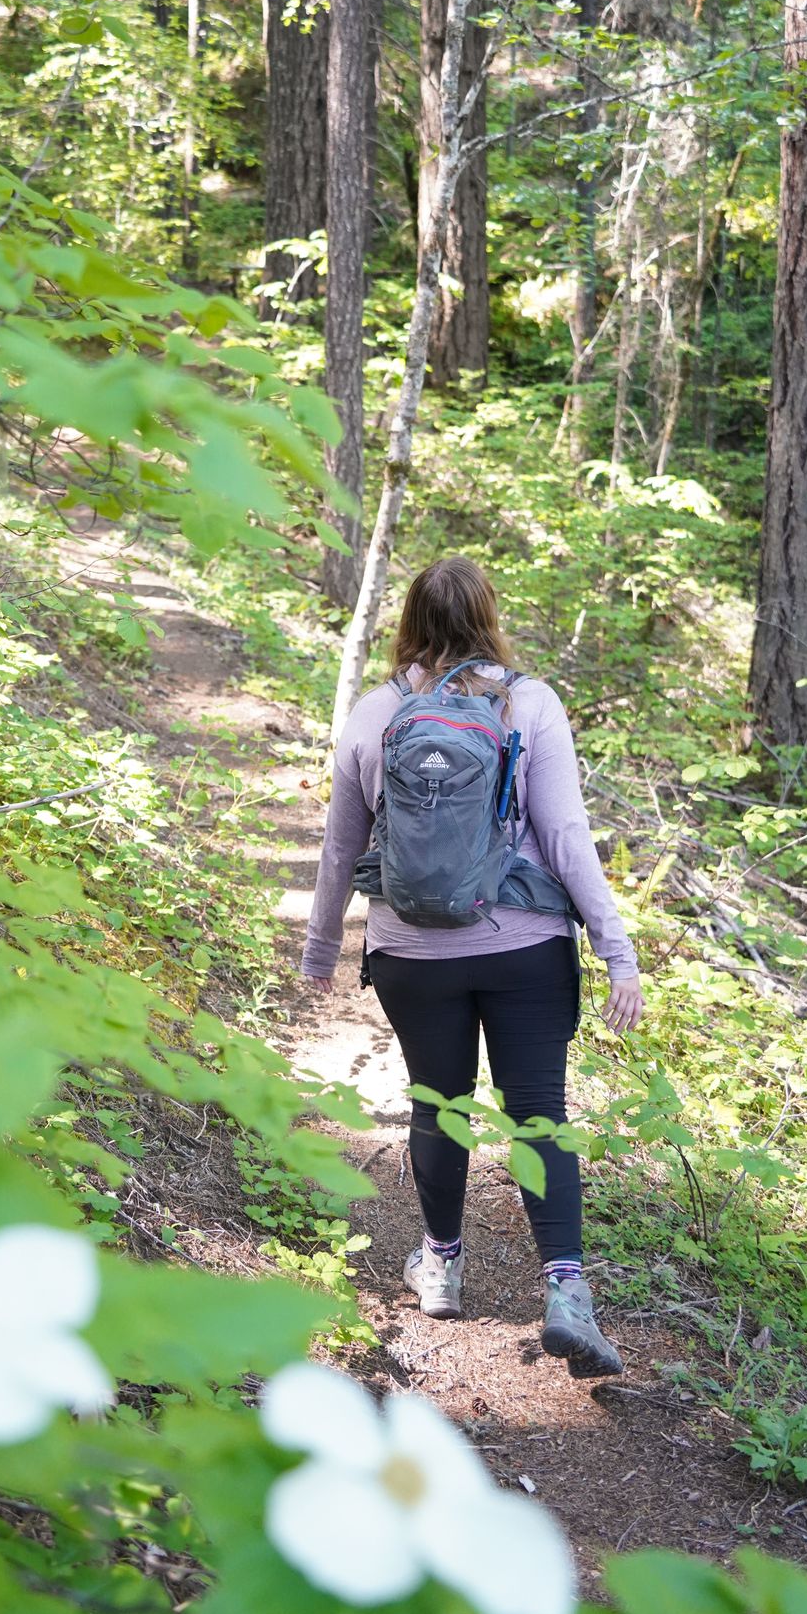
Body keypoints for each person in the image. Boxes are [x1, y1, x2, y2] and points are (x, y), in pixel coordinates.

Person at [302, 556, 644, 1378]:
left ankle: (442, 1267)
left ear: (408, 622)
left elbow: (342, 848)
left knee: (437, 1102)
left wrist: (319, 949)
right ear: (491, 615)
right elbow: (566, 837)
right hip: (525, 948)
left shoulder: (376, 714)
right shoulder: (530, 702)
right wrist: (615, 948)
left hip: (412, 954)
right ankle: (565, 1290)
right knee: (538, 1115)